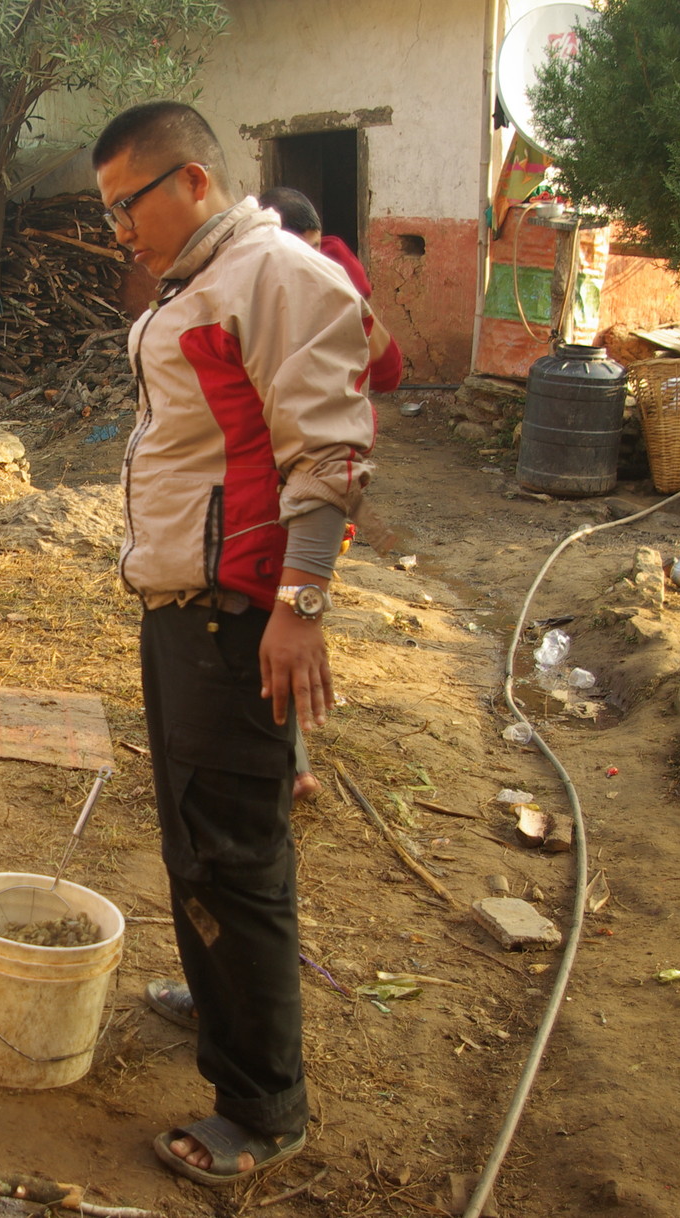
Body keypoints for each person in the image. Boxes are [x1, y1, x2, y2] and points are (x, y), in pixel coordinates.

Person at [93, 102, 375, 1186]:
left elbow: (331, 453)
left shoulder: (278, 277)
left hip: (235, 617)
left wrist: (298, 606)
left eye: (127, 202)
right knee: (195, 837)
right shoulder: (199, 283)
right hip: (180, 615)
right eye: (107, 207)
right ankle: (217, 1002)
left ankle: (261, 1108)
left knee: (234, 856)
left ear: (194, 181)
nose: (118, 227)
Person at [257, 187, 405, 802]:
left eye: (317, 254)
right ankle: (291, 758)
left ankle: (290, 764)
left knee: (284, 603)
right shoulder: (271, 278)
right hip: (306, 469)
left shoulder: (323, 280)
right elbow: (388, 368)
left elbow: (388, 367)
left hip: (309, 473)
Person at [258, 186, 404, 395]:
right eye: (298, 251)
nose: (310, 259)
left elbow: (388, 375)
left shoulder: (334, 267)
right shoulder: (251, 288)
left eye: (314, 247)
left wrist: (351, 295)